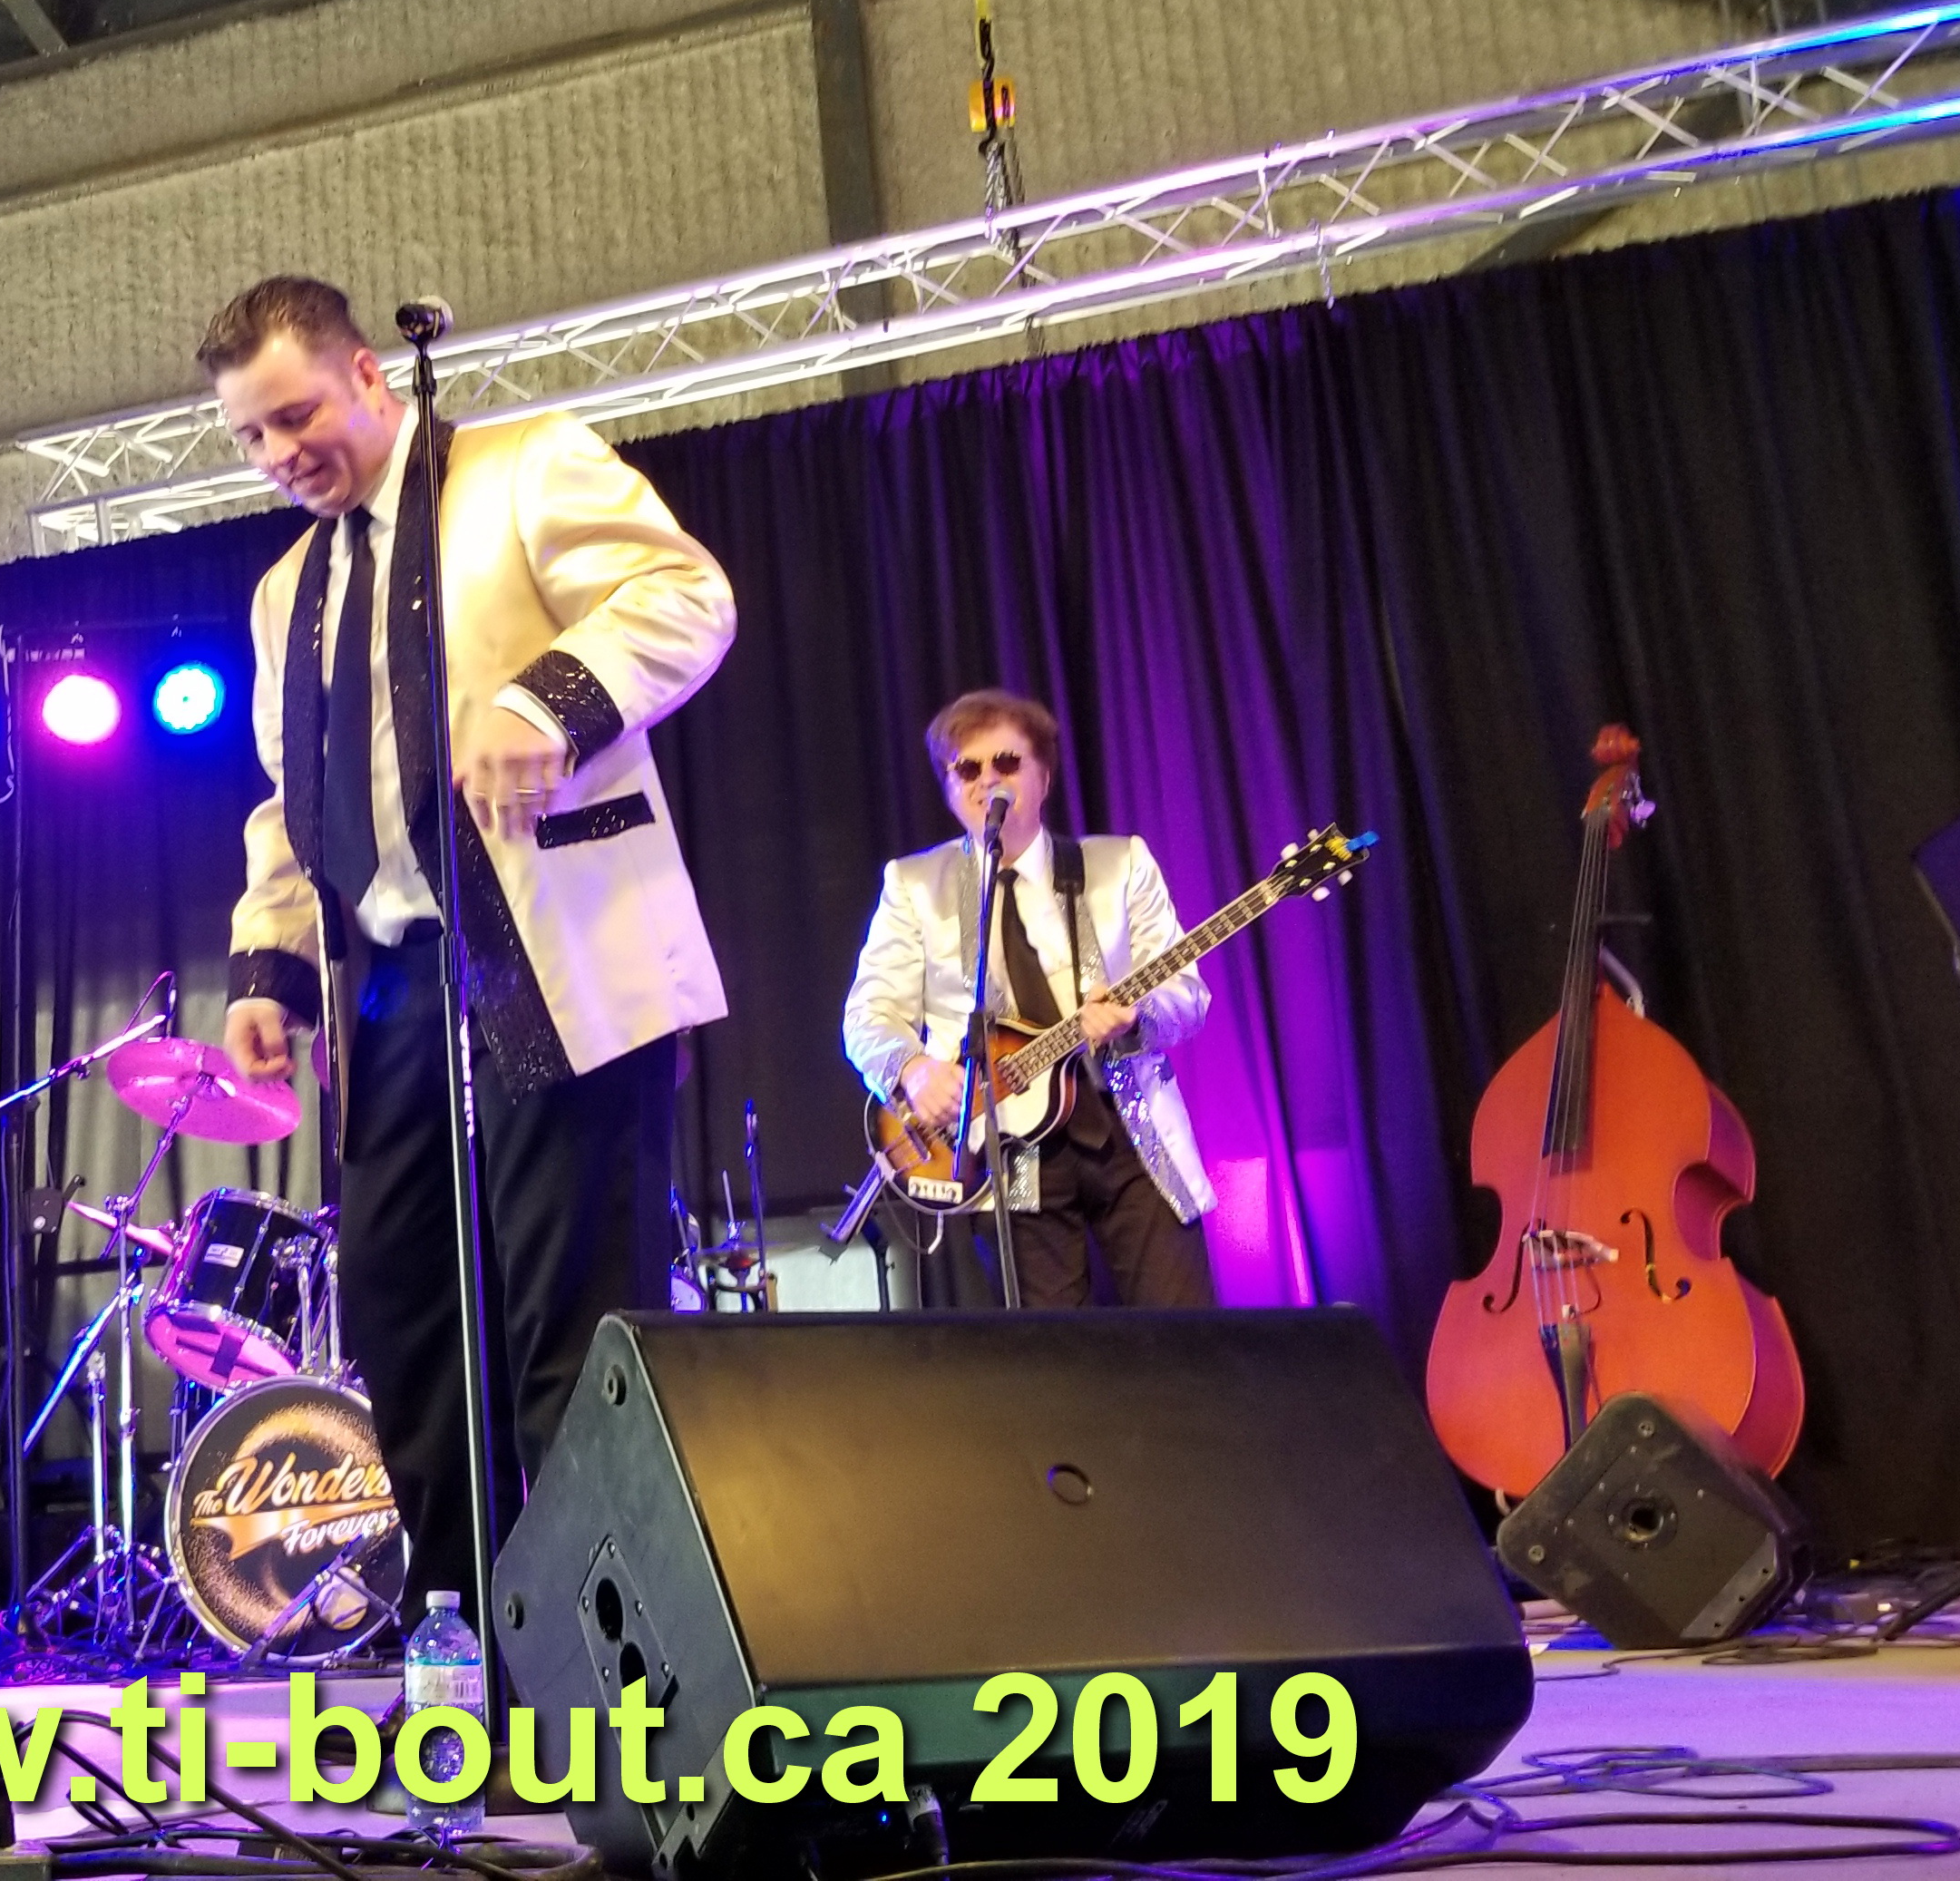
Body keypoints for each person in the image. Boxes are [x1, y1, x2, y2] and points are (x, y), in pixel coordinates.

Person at [209, 276, 736, 1621]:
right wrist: (270, 970)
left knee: (575, 1324)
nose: (277, 455)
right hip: (389, 991)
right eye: (250, 436)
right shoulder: (285, 592)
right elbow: (291, 797)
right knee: (406, 1326)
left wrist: (545, 703)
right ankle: (463, 1643)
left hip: (555, 959)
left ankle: (609, 1652)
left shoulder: (519, 469)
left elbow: (684, 593)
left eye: (294, 416)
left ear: (368, 377)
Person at [841, 688, 1218, 1308]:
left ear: (1044, 778)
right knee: (1054, 1355)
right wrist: (911, 1069)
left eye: (1007, 763)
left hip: (1132, 1135)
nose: (988, 779)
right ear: (949, 789)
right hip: (1009, 1156)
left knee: (1186, 1340)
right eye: (967, 769)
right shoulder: (913, 885)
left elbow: (1188, 996)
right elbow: (867, 1016)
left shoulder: (1120, 864)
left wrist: (1136, 1016)